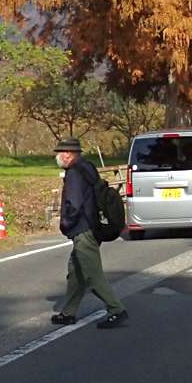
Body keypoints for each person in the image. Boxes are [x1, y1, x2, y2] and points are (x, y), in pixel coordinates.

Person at [52, 137, 127, 329]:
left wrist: (66, 224)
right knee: (76, 271)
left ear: (68, 154)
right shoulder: (87, 167)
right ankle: (68, 312)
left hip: (83, 230)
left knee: (92, 274)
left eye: (59, 153)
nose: (57, 157)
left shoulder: (74, 173)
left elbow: (74, 204)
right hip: (92, 226)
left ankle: (116, 309)